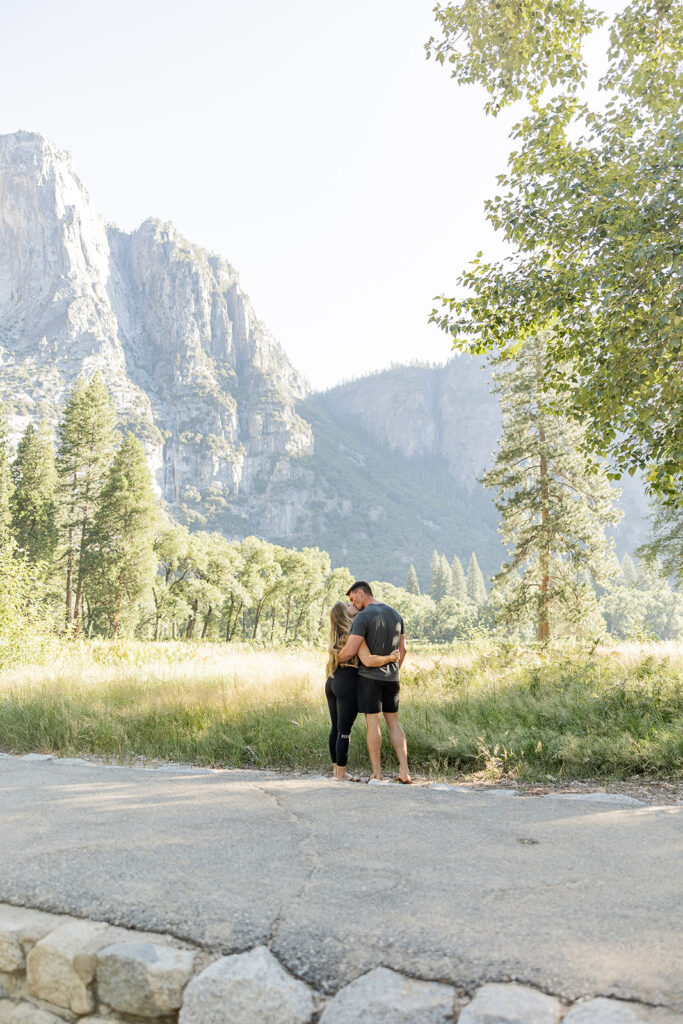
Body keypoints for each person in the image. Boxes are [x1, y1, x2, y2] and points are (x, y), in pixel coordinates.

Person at [335, 581, 411, 783]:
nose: (353, 603)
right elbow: (403, 650)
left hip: (370, 678)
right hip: (392, 677)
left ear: (360, 593)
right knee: (394, 722)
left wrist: (335, 658)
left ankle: (377, 773)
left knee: (373, 722)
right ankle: (404, 771)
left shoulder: (363, 617)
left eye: (353, 599)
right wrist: (394, 669)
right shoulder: (396, 614)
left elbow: (350, 651)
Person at [325, 601, 399, 781]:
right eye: (348, 606)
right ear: (345, 614)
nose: (353, 606)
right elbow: (368, 660)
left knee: (335, 727)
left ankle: (337, 770)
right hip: (348, 682)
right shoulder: (354, 635)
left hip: (333, 680)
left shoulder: (335, 636)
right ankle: (341, 774)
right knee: (344, 730)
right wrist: (391, 657)